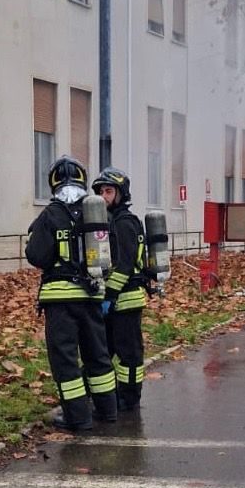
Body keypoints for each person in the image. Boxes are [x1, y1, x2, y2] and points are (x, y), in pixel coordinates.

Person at [26, 155, 118, 430]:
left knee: (65, 359)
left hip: (60, 299)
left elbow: (37, 256)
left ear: (52, 182)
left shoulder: (49, 215)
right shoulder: (98, 214)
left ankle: (77, 417)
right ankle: (107, 410)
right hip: (91, 295)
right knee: (97, 354)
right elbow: (112, 250)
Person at [91, 167, 148, 412]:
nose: (103, 196)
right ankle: (108, 395)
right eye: (101, 191)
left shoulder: (124, 223)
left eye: (108, 191)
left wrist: (110, 296)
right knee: (106, 350)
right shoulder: (110, 221)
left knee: (130, 355)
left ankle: (129, 398)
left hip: (126, 300)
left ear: (120, 193)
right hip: (114, 301)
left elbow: (124, 266)